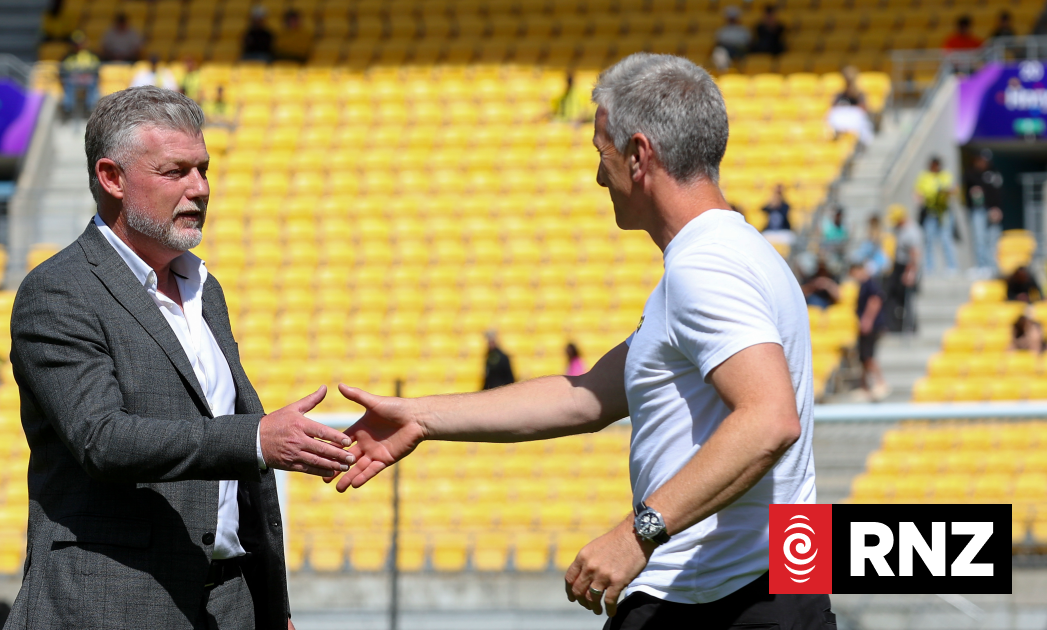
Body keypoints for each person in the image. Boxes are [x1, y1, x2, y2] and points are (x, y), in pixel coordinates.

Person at [333, 54, 830, 628]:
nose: (599, 176)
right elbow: (585, 395)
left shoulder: (707, 268)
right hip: (773, 586)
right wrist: (420, 417)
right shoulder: (739, 254)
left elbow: (770, 420)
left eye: (603, 155)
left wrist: (638, 533)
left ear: (640, 155)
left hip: (719, 602)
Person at [6, 87, 353, 629]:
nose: (201, 188)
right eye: (175, 172)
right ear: (112, 177)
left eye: (204, 169)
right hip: (112, 604)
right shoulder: (59, 291)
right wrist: (255, 438)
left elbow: (234, 487)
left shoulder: (204, 289)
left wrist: (270, 604)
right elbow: (102, 439)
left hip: (230, 602)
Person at [849, 263, 887, 401]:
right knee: (863, 357)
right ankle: (864, 386)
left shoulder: (869, 283)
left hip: (871, 325)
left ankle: (880, 382)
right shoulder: (864, 284)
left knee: (868, 356)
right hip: (867, 325)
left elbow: (875, 301)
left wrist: (867, 320)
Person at [915, 156, 957, 275]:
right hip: (930, 212)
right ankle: (929, 267)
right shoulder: (924, 176)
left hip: (944, 211)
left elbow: (953, 189)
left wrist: (943, 191)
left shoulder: (945, 175)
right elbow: (918, 192)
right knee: (929, 240)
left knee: (946, 239)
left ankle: (951, 266)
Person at [963, 152, 1002, 275]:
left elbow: (998, 193)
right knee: (979, 238)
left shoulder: (994, 174)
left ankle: (992, 267)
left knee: (992, 241)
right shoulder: (971, 173)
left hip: (993, 210)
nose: (982, 163)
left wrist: (998, 209)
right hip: (978, 210)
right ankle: (982, 265)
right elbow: (966, 182)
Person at [885, 204, 920, 333]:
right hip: (899, 266)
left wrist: (909, 273)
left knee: (908, 299)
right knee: (893, 297)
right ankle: (894, 325)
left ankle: (909, 327)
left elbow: (914, 255)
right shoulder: (901, 229)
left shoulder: (911, 232)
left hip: (906, 267)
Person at [60, 32, 101, 119]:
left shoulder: (91, 55)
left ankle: (90, 107)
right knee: (68, 84)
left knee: (93, 83)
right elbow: (63, 71)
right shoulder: (68, 56)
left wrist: (86, 75)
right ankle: (68, 108)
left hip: (87, 80)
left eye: (80, 43)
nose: (78, 46)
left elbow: (96, 70)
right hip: (73, 80)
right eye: (76, 44)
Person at [712, 7, 751, 71]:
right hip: (726, 50)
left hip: (740, 50)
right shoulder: (722, 30)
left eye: (734, 18)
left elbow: (748, 43)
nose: (732, 20)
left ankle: (742, 71)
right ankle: (724, 73)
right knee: (719, 52)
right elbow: (718, 42)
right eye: (730, 18)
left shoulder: (744, 30)